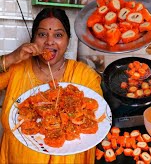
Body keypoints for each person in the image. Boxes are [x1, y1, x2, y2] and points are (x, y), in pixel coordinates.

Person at [0, 8, 102, 163]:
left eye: (58, 35)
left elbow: (96, 123)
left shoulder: (85, 75)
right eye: (42, 34)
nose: (49, 41)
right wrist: (11, 58)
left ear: (68, 41)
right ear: (33, 39)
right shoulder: (17, 68)